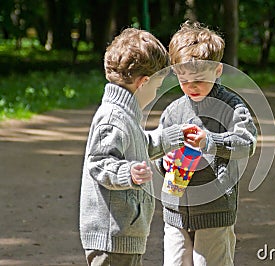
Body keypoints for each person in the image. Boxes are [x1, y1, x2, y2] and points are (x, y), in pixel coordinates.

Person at [79, 27, 203, 266]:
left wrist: (176, 136)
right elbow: (99, 162)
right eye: (156, 87)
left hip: (124, 233)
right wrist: (128, 173)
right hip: (112, 236)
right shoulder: (112, 117)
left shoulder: (126, 116)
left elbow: (142, 145)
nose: (156, 93)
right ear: (143, 83)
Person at [159, 21, 258, 266]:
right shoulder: (173, 111)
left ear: (218, 70)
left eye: (199, 79)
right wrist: (164, 160)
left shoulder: (231, 107)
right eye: (183, 80)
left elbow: (247, 143)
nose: (191, 86)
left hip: (215, 209)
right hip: (176, 209)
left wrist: (211, 141)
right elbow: (158, 147)